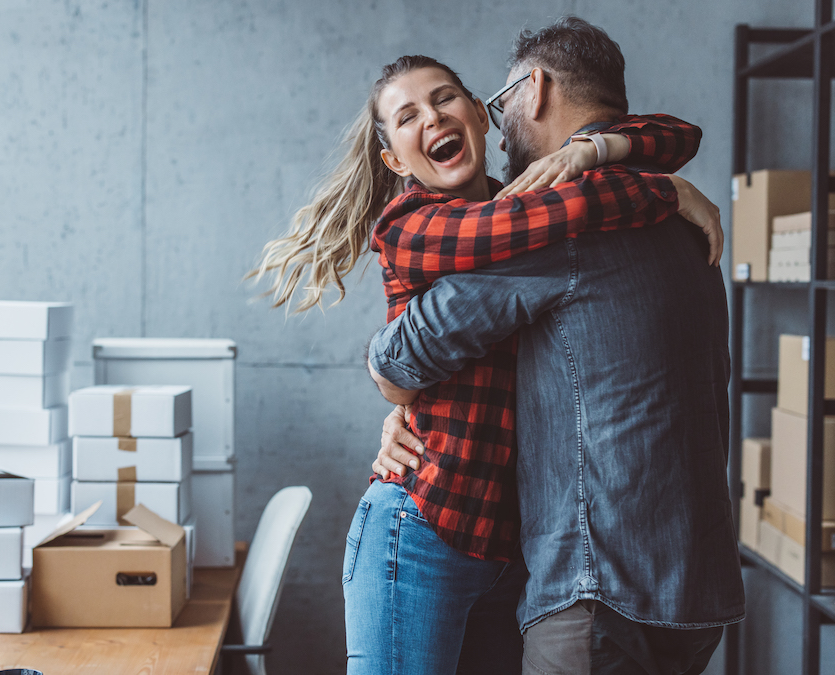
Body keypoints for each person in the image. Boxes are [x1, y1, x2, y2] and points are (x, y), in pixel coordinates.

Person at [250, 50, 723, 675]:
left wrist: (589, 153)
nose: (432, 118)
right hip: (422, 532)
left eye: (445, 99)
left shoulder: (525, 205)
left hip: (510, 552)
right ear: (394, 159)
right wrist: (663, 189)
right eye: (407, 116)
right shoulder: (414, 225)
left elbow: (676, 134)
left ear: (480, 114)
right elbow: (557, 215)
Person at [368, 18, 745, 675]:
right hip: (697, 590)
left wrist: (389, 381)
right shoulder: (681, 221)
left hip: (601, 589)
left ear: (533, 90)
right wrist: (666, 184)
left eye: (497, 104)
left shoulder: (559, 221)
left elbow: (403, 355)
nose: (502, 127)